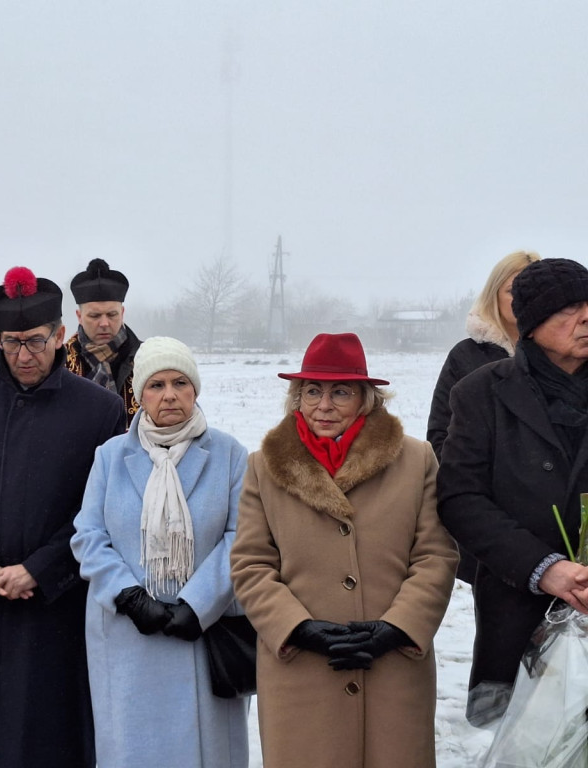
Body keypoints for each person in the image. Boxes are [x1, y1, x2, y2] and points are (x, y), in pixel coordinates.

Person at [0, 266, 125, 768]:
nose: (24, 356)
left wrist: (39, 568)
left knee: (44, 734)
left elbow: (97, 510)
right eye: (11, 343)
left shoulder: (99, 409)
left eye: (35, 342)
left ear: (59, 334)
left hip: (53, 604)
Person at [231, 332, 458, 768]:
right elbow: (251, 564)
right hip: (301, 672)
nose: (324, 405)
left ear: (366, 398)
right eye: (312, 391)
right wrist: (298, 629)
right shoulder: (263, 466)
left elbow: (435, 556)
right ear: (297, 397)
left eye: (341, 392)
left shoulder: (416, 460)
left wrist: (397, 628)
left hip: (392, 670)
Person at [71, 336, 250, 768]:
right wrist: (128, 596)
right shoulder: (111, 456)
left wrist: (198, 604)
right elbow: (88, 535)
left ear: (195, 390)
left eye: (180, 383)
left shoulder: (229, 454)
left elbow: (241, 536)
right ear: (137, 393)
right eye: (156, 385)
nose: (169, 395)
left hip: (202, 634)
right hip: (127, 637)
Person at [438, 257, 588, 726]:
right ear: (530, 323)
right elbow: (461, 499)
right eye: (568, 308)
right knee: (532, 742)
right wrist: (546, 569)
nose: (585, 317)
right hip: (519, 609)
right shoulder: (480, 393)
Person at [427, 249, 540, 583]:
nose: (522, 299)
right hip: (491, 523)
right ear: (494, 295)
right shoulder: (467, 356)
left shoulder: (569, 358)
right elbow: (439, 437)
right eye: (513, 290)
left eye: (532, 292)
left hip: (561, 524)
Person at [64, 258, 142, 429]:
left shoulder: (148, 357)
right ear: (79, 316)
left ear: (122, 312)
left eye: (112, 314)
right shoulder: (59, 363)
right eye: (95, 316)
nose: (104, 323)